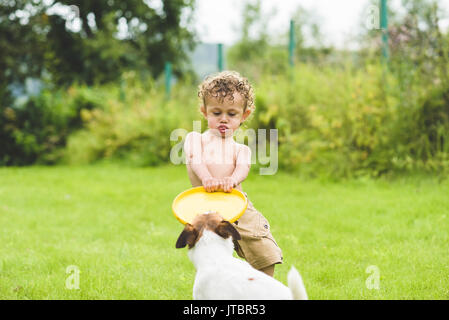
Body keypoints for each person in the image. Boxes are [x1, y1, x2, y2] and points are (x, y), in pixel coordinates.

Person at [183, 70, 283, 277]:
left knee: (263, 250)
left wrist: (232, 180)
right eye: (216, 113)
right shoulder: (195, 139)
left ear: (244, 115)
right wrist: (207, 178)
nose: (223, 119)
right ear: (204, 112)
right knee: (211, 260)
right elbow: (195, 159)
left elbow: (243, 169)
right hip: (206, 211)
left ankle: (263, 290)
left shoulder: (241, 150)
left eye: (232, 114)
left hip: (238, 206)